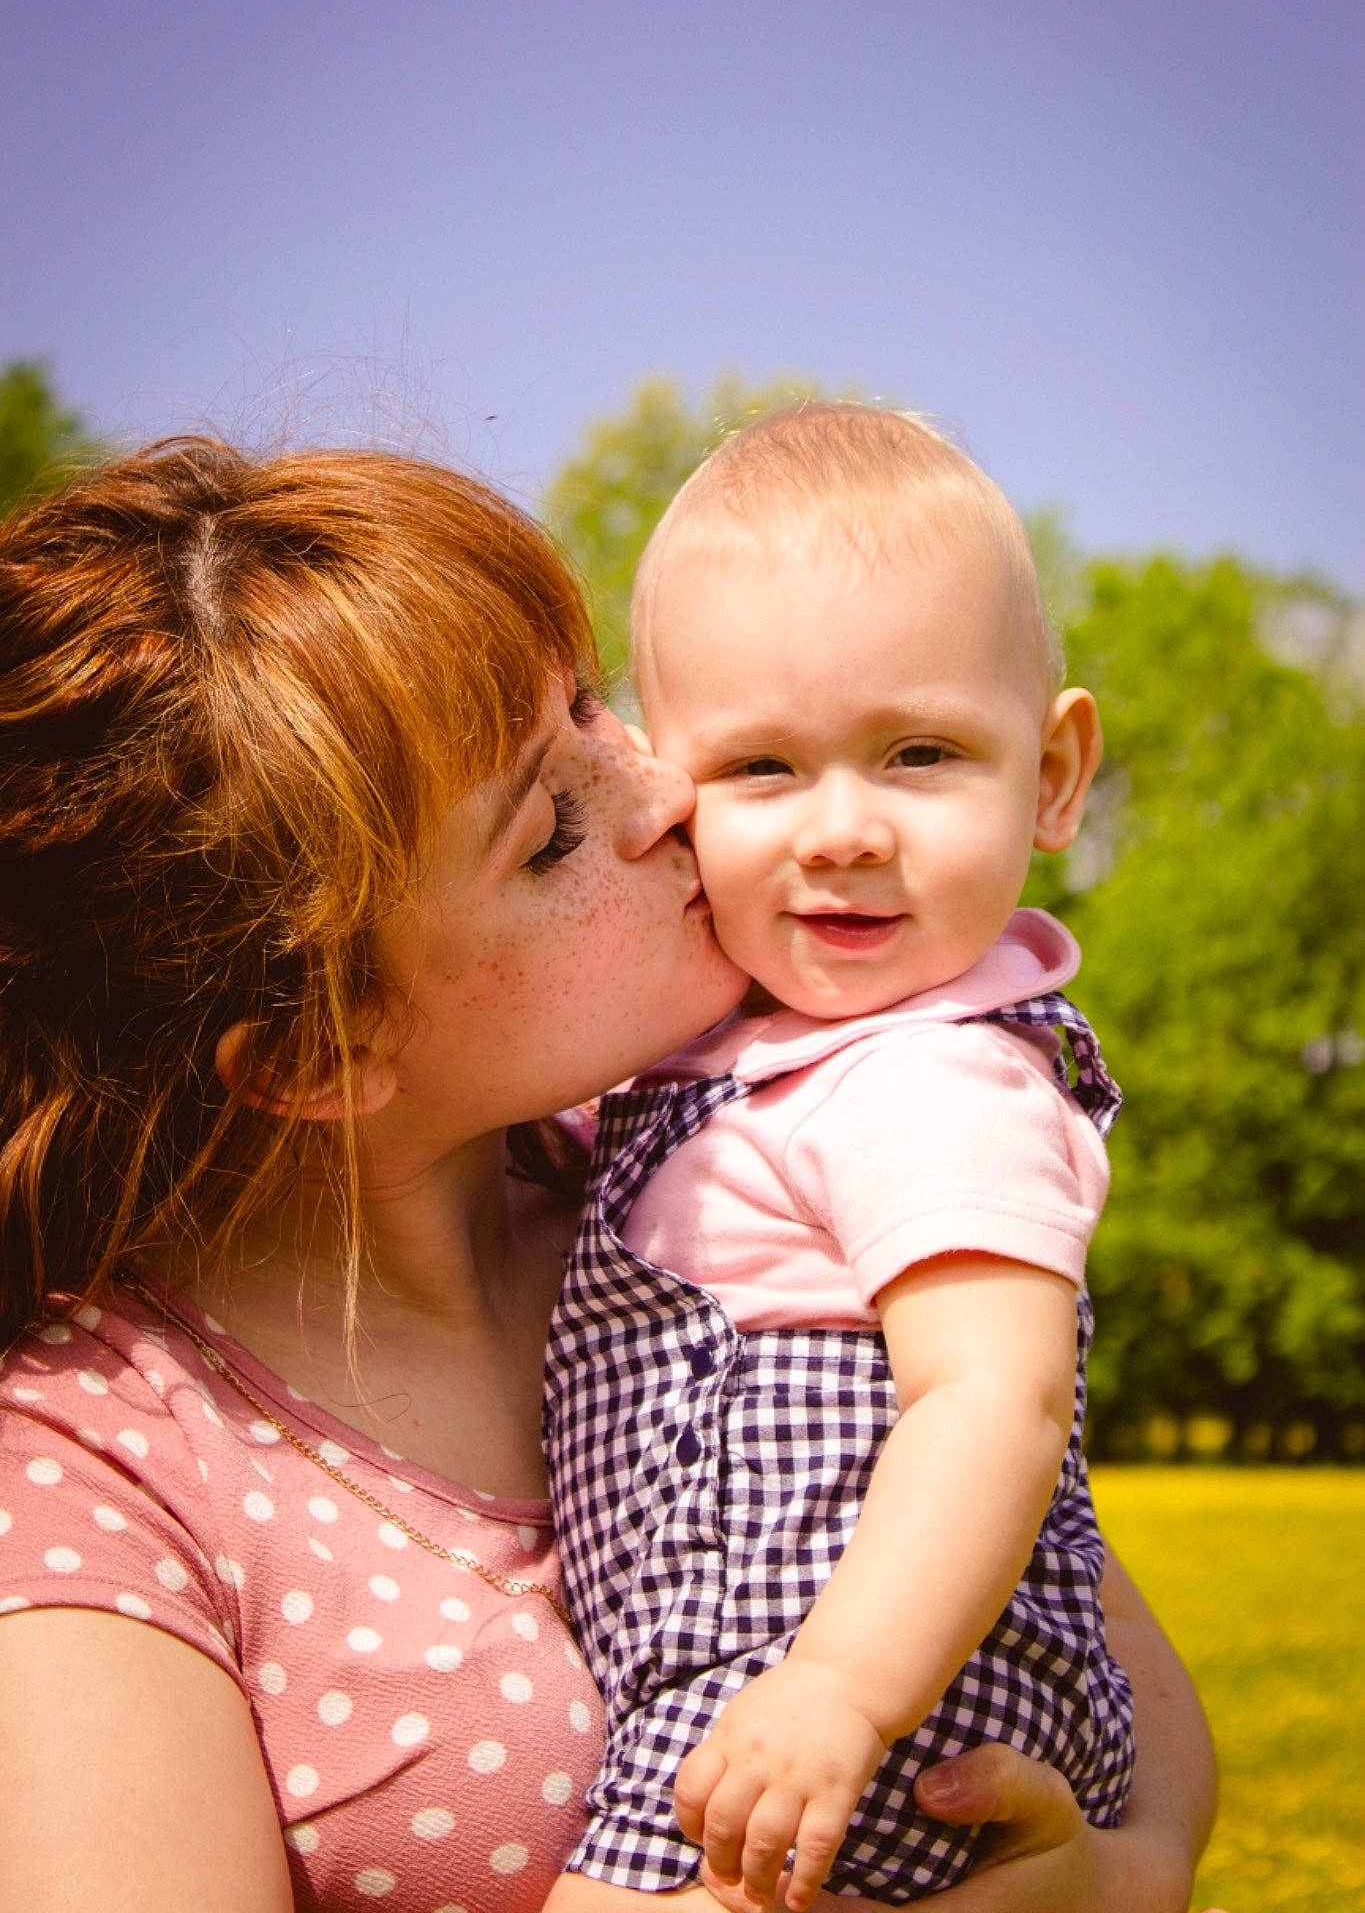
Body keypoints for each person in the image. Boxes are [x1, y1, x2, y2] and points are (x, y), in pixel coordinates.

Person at [0, 436, 1217, 1913]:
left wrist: (1117, 1884)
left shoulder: (707, 1181)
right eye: (549, 830)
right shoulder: (93, 1469)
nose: (663, 786)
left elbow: (1099, 1644)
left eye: (586, 702)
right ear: (320, 1053)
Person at [544, 405, 1130, 1909]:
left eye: (918, 751)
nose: (843, 828)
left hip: (868, 1684)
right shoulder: (745, 1064)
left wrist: (844, 1689)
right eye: (761, 769)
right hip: (779, 1681)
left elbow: (995, 1392)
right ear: (659, 792)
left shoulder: (931, 1076)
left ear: (1054, 776)